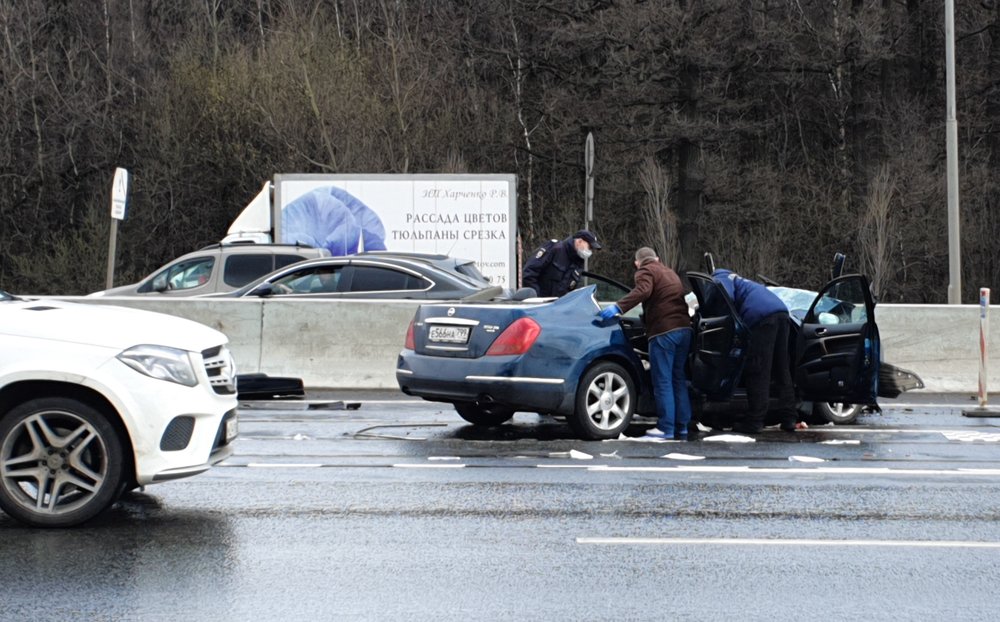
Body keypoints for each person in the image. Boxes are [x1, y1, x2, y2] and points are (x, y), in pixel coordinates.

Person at [598, 247, 693, 440]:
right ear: (656, 258)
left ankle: (666, 428)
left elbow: (643, 291)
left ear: (637, 263)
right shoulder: (670, 272)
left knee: (663, 381)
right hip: (685, 330)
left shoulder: (645, 270)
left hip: (664, 332)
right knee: (678, 379)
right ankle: (681, 426)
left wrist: (619, 307)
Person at [711, 268, 798, 434]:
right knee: (782, 369)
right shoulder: (744, 282)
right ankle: (789, 418)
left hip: (761, 318)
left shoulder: (720, 276)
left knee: (758, 370)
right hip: (782, 313)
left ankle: (755, 420)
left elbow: (725, 295)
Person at [521, 230, 601, 297]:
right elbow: (529, 273)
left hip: (558, 311)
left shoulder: (578, 265)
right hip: (539, 307)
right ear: (580, 241)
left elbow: (571, 293)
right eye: (589, 247)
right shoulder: (554, 249)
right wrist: (537, 299)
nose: (590, 251)